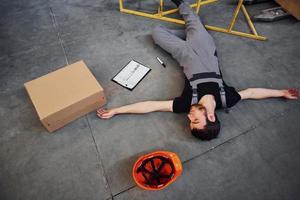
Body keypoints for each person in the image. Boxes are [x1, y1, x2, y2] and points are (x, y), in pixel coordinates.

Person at [97, 0, 299, 140]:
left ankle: (192, 34)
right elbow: (252, 93)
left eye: (190, 121)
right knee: (192, 19)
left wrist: (116, 111)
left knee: (156, 33)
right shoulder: (227, 99)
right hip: (205, 50)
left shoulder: (187, 104)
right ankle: (182, 6)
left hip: (183, 55)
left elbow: (150, 106)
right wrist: (280, 92)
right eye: (195, 120)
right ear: (211, 117)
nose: (189, 117)